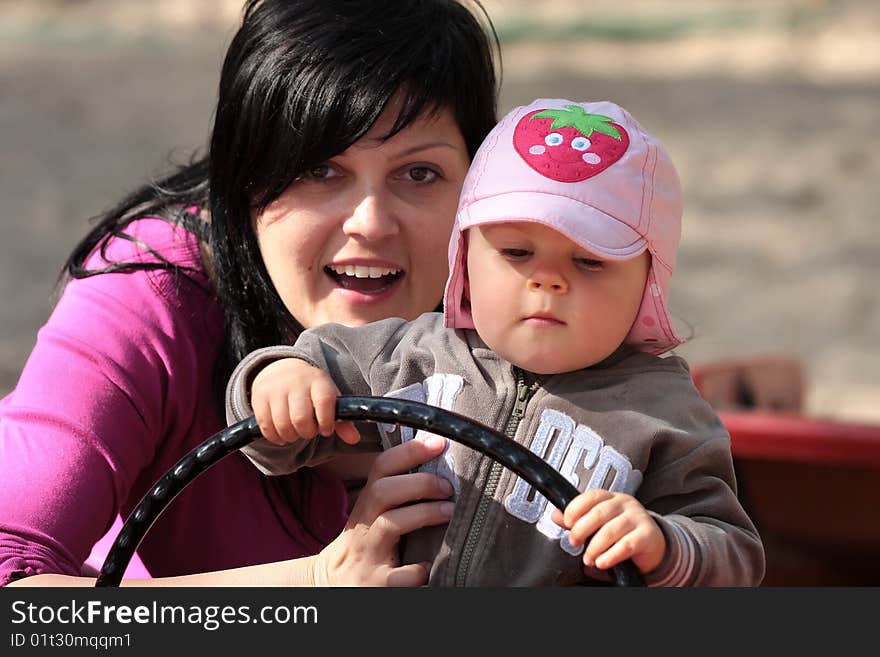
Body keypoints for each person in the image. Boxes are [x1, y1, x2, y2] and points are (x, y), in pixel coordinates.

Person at [0, 0, 500, 587]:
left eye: (418, 173)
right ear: (244, 181)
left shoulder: (547, 296)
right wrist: (311, 592)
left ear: (481, 186)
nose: (371, 222)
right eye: (320, 170)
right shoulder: (155, 294)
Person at [226, 98, 766, 586]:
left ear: (647, 286)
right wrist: (279, 380)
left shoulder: (665, 413)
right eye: (516, 252)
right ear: (465, 258)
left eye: (589, 261)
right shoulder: (412, 354)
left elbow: (734, 553)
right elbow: (280, 427)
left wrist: (666, 547)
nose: (548, 281)